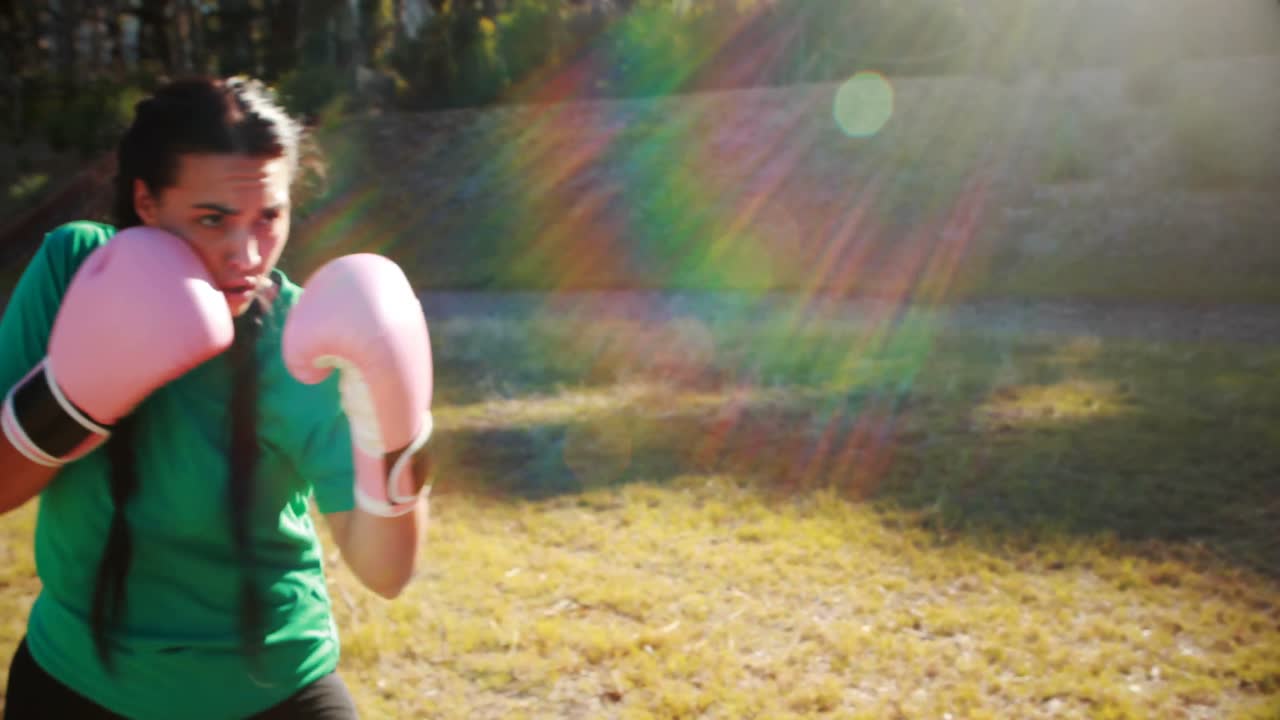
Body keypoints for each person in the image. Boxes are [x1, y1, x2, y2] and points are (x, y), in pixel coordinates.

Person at [0, 76, 434, 719]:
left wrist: (395, 430)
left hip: (273, 686)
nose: (247, 253)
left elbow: (386, 572)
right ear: (146, 200)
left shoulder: (304, 344)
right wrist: (68, 401)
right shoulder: (74, 269)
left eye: (270, 217)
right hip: (77, 679)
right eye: (213, 219)